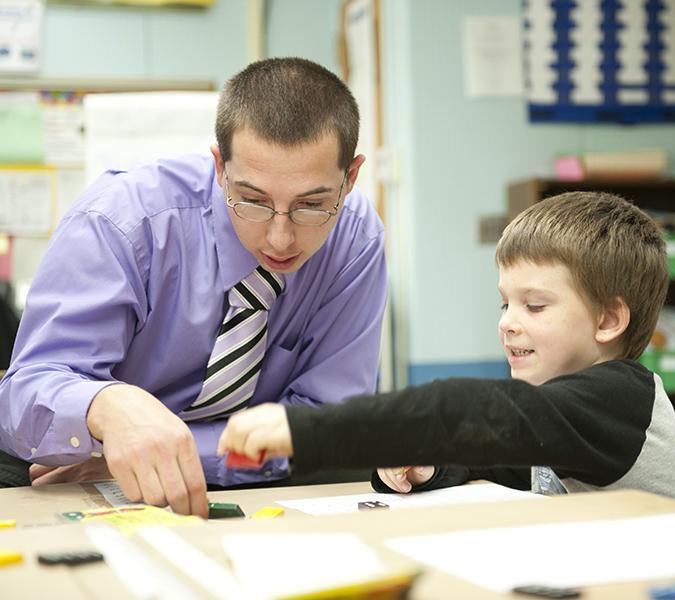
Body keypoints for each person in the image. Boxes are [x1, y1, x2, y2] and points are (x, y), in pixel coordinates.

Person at [0, 58, 387, 516]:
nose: (280, 238)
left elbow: (325, 424)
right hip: (74, 465)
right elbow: (24, 395)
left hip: (209, 475)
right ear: (220, 166)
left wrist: (167, 460)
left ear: (351, 177)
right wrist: (104, 405)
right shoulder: (121, 224)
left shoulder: (356, 239)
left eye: (311, 205)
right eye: (253, 201)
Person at [217, 191, 675, 506]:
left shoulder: (619, 395)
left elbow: (473, 414)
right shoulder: (558, 413)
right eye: (505, 304)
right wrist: (426, 465)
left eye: (534, 306)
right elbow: (489, 458)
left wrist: (305, 430)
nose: (507, 323)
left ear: (609, 320)